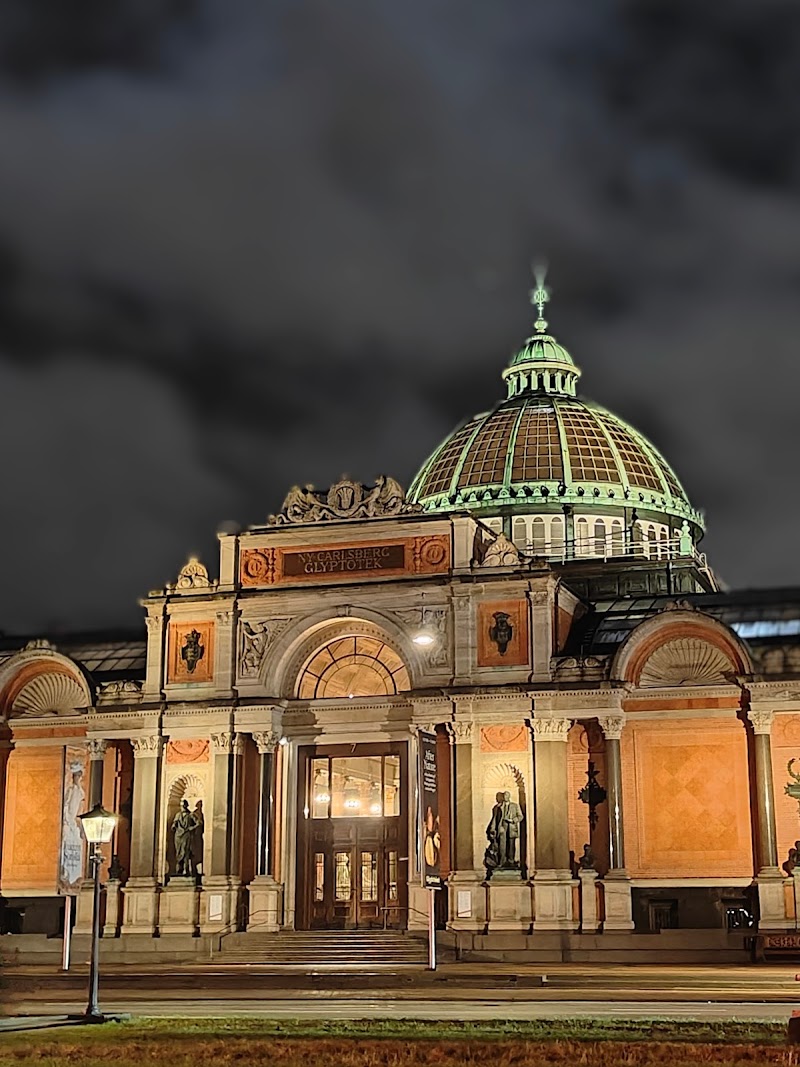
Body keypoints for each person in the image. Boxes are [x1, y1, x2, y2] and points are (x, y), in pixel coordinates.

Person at [486, 790, 523, 869]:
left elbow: (520, 816)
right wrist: (492, 829)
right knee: (501, 846)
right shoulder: (498, 807)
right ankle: (501, 862)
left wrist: (513, 820)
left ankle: (511, 861)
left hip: (511, 828)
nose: (505, 797)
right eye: (504, 796)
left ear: (509, 796)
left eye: (507, 795)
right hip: (502, 828)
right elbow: (495, 819)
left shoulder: (515, 806)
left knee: (511, 845)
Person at [171, 800, 199, 877]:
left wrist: (191, 828)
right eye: (181, 806)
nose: (182, 807)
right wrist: (174, 826)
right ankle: (179, 870)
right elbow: (174, 823)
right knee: (178, 852)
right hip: (178, 836)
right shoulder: (178, 815)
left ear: (186, 806)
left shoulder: (190, 815)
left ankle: (186, 870)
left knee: (186, 852)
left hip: (186, 835)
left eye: (184, 805)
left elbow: (198, 823)